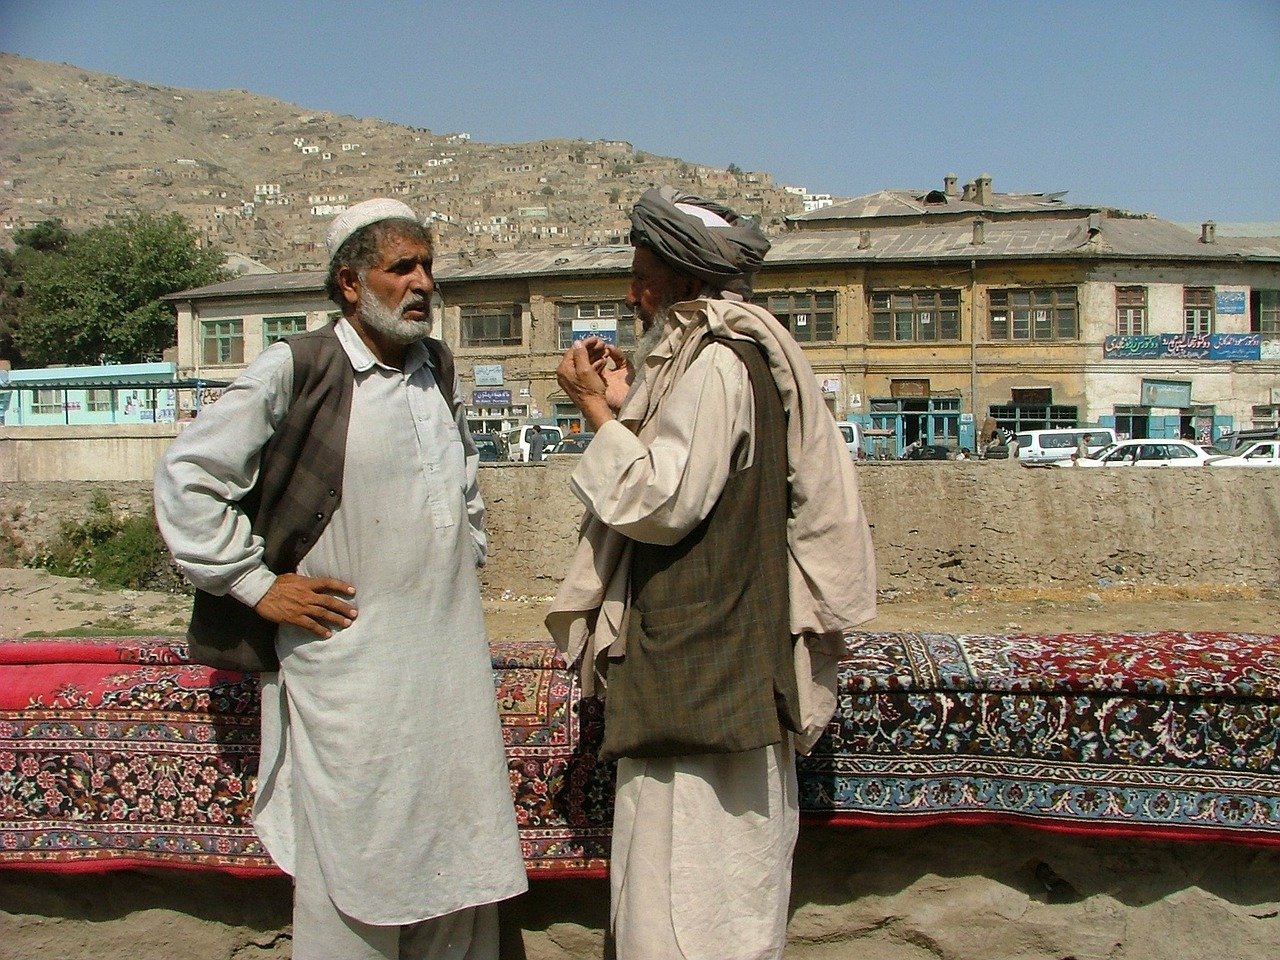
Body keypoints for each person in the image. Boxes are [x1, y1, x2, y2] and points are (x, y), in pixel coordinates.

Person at [154, 198, 526, 960]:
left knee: (454, 850)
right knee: (352, 851)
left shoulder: (437, 368)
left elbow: (462, 482)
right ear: (351, 283)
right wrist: (257, 585)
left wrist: (460, 547)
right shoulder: (300, 366)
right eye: (402, 268)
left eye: (429, 266)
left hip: (445, 668)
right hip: (347, 674)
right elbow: (187, 478)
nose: (423, 282)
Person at [546, 186, 876, 959]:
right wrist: (633, 403)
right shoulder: (725, 358)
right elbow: (690, 467)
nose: (634, 294)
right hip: (717, 671)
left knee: (687, 903)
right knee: (709, 891)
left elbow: (658, 501)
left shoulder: (720, 363)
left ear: (685, 281)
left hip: (703, 677)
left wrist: (596, 410)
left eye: (643, 275)